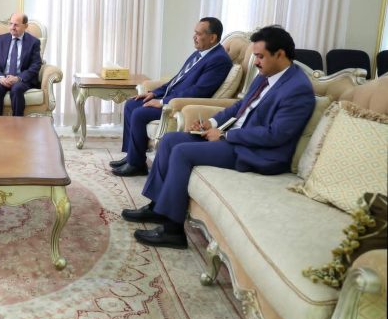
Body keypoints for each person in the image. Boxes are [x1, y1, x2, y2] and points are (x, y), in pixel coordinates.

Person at [122, 26, 315, 249]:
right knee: (169, 140)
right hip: (236, 139)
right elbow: (239, 107)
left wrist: (225, 134)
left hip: (257, 152)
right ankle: (157, 208)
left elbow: (275, 135)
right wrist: (211, 123)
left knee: (182, 152)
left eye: (260, 56)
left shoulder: (297, 89)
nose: (256, 62)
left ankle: (173, 231)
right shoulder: (266, 75)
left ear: (280, 54)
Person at [110, 17, 232, 177]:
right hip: (171, 97)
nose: (194, 37)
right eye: (194, 33)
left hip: (179, 105)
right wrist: (154, 93)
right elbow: (176, 80)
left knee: (139, 113)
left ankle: (136, 165)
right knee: (131, 104)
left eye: (198, 34)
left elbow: (199, 91)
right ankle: (132, 156)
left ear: (212, 37)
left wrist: (162, 102)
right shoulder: (200, 53)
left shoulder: (219, 60)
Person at [0, 12, 42, 116]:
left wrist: (18, 78)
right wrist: (0, 77)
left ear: (25, 26)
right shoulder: (0, 40)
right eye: (11, 24)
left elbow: (36, 65)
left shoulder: (34, 42)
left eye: (16, 25)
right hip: (3, 78)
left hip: (21, 79)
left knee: (17, 89)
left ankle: (17, 123)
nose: (12, 27)